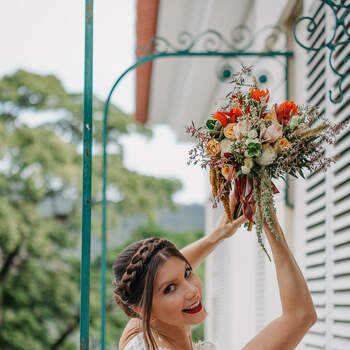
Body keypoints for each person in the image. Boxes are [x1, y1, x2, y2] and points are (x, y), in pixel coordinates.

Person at [113, 195, 317, 350]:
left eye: (187, 273)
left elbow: (154, 276)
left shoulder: (144, 327)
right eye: (170, 289)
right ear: (144, 311)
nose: (192, 290)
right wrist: (271, 225)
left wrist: (217, 236)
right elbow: (300, 316)